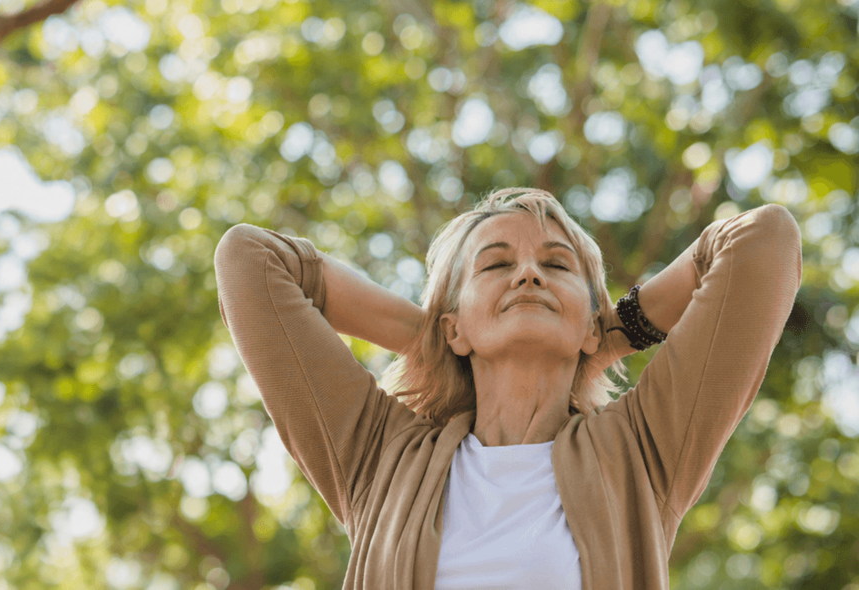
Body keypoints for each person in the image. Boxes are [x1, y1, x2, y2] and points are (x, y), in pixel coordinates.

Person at [212, 187, 802, 589]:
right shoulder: (378, 454)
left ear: (589, 320)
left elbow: (763, 241)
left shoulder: (642, 451)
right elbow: (251, 259)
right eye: (495, 266)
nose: (528, 272)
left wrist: (613, 332)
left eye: (558, 265)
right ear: (454, 324)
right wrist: (435, 336)